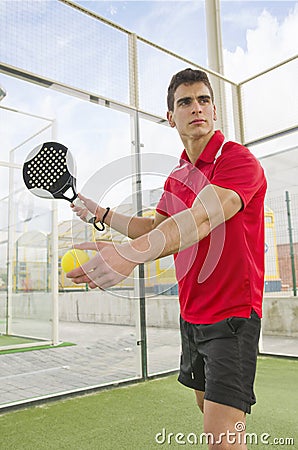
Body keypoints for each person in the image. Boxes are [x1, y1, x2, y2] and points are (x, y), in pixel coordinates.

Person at [69, 68, 267, 449]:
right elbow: (157, 228)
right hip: (192, 314)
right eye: (186, 102)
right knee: (205, 406)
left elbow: (203, 216)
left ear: (214, 109)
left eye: (204, 99)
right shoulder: (177, 175)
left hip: (233, 315)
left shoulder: (237, 160)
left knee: (222, 440)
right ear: (171, 116)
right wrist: (102, 215)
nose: (197, 108)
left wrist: (128, 256)